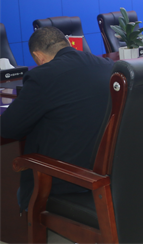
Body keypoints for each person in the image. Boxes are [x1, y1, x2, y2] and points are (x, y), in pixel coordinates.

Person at [0, 27, 113, 211]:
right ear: (67, 43)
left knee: (16, 193)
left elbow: (7, 128)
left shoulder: (42, 76)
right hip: (105, 172)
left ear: (38, 56)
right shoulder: (106, 65)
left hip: (64, 179)